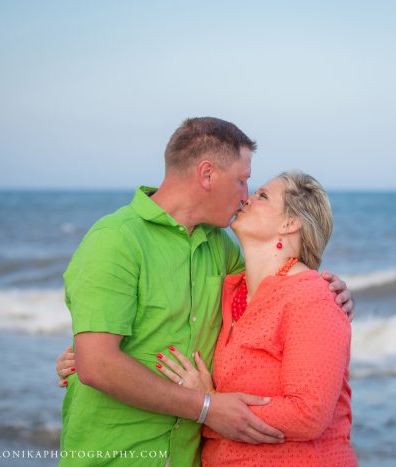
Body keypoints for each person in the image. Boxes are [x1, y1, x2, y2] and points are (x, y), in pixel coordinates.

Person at [58, 117, 353, 466]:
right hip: (119, 453)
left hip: (188, 456)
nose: (245, 195)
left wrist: (333, 292)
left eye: (255, 190)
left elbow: (282, 292)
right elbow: (98, 364)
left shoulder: (219, 247)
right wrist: (207, 407)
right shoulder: (116, 239)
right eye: (243, 181)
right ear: (207, 174)